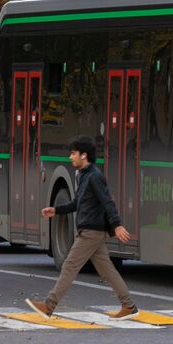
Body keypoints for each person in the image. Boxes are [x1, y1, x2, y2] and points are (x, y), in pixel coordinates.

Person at [26, 135, 138, 319]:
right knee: (107, 270)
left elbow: (108, 202)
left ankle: (49, 305)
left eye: (73, 153)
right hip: (90, 230)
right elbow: (77, 203)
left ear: (84, 155)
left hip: (91, 231)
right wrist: (56, 210)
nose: (70, 157)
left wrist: (117, 225)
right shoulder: (84, 176)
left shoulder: (95, 177)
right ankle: (129, 306)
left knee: (69, 265)